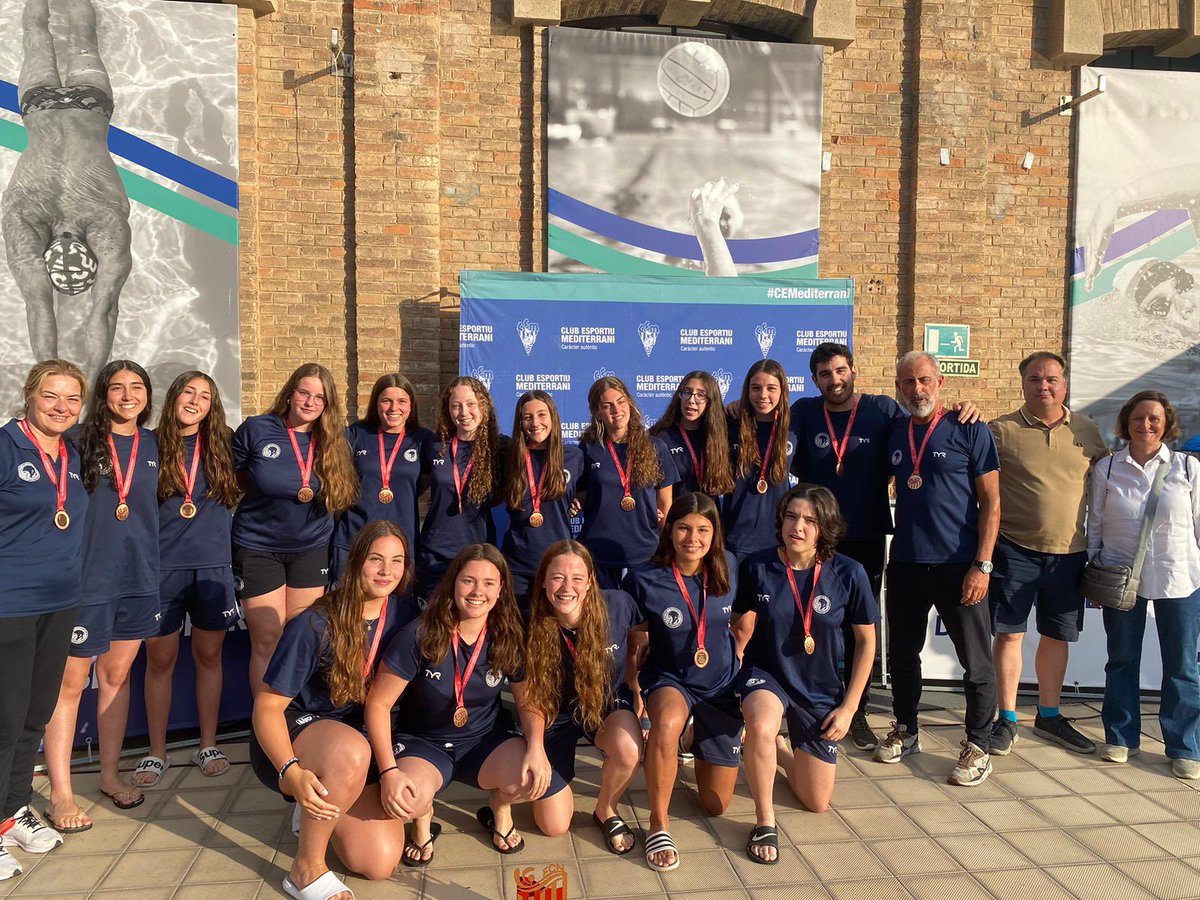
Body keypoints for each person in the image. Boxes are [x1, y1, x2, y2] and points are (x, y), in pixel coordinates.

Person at [790, 343, 981, 751]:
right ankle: (807, 707)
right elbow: (765, 424)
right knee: (810, 622)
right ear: (814, 379)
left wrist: (966, 408)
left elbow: (924, 418)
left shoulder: (882, 410)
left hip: (867, 536)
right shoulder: (803, 412)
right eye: (825, 374)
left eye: (841, 370)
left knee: (858, 627)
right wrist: (732, 410)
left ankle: (855, 712)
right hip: (814, 541)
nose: (834, 380)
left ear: (853, 371)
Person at [250, 521, 417, 899]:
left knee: (378, 862)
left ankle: (323, 800)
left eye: (397, 561)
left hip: (360, 741)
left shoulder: (406, 615)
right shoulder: (315, 622)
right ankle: (305, 869)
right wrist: (291, 771)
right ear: (355, 562)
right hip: (295, 735)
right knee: (349, 750)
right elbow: (267, 708)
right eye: (376, 559)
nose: (386, 570)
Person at [364, 544, 551, 859]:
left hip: (483, 740)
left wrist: (536, 747)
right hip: (425, 743)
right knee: (407, 799)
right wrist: (389, 772)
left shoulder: (508, 635)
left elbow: (529, 701)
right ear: (453, 583)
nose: (478, 591)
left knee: (534, 776)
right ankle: (424, 817)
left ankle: (499, 808)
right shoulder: (420, 634)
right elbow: (378, 705)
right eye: (468, 581)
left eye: (488, 583)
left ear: (501, 590)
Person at [874, 351, 1000, 787]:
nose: (917, 389)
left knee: (976, 663)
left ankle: (979, 746)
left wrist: (982, 565)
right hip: (906, 562)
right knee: (902, 655)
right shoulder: (894, 431)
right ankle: (906, 730)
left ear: (940, 382)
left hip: (959, 565)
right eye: (908, 382)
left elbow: (992, 503)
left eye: (924, 380)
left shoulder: (969, 427)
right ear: (899, 387)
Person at [733, 485, 878, 863]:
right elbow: (738, 627)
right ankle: (765, 820)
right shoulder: (756, 566)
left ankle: (781, 752)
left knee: (817, 801)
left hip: (819, 688)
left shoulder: (849, 572)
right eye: (791, 516)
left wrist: (849, 708)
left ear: (825, 526)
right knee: (761, 724)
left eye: (810, 520)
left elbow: (867, 643)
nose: (798, 527)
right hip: (767, 675)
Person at [43, 360, 159, 828]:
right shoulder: (76, 441)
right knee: (70, 685)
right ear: (103, 395)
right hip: (87, 581)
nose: (127, 396)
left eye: (136, 387)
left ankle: (110, 775)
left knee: (116, 677)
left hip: (139, 579)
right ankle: (61, 794)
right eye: (117, 387)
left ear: (148, 395)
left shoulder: (155, 444)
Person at [1, 0, 131, 378]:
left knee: (82, 39)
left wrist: (88, 382)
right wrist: (56, 379)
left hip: (89, 107)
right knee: (36, 36)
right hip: (39, 108)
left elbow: (103, 308)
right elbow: (39, 303)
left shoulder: (105, 221)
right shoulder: (24, 217)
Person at [987, 352, 1108, 756]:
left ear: (1064, 385)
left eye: (1052, 379)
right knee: (1009, 634)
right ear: (1023, 384)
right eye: (1035, 379)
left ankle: (1049, 715)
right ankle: (1006, 718)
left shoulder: (1087, 430)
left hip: (1069, 554)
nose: (1044, 386)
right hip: (1013, 550)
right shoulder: (1000, 430)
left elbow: (1110, 487)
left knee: (1057, 636)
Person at [0, 360, 89, 880]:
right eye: (51, 396)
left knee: (34, 715)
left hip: (59, 603)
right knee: (4, 719)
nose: (62, 407)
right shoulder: (5, 446)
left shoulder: (70, 454)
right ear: (29, 396)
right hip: (9, 605)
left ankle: (11, 813)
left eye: (72, 398)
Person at [133, 372, 241, 788]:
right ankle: (157, 751)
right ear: (174, 396)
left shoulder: (224, 444)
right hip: (162, 568)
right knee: (160, 661)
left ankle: (208, 744)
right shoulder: (148, 443)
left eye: (205, 396)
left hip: (212, 566)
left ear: (213, 406)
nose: (195, 401)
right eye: (188, 392)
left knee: (209, 657)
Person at [624, 493, 740, 872]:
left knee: (715, 805)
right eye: (684, 528)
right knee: (667, 722)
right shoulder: (645, 577)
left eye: (703, 530)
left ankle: (692, 736)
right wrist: (635, 692)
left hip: (720, 687)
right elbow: (633, 637)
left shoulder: (729, 566)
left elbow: (742, 620)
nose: (693, 538)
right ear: (669, 531)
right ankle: (659, 822)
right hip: (671, 678)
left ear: (714, 533)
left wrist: (738, 655)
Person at [1088, 391, 1200, 780]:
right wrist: (1095, 571)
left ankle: (1184, 746)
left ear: (1166, 424)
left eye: (1154, 418)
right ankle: (1121, 737)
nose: (1146, 425)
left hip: (1179, 576)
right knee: (1121, 660)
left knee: (1182, 666)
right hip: (1121, 577)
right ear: (1126, 422)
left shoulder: (1187, 468)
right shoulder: (1107, 468)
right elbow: (1095, 524)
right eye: (1138, 418)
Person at [232, 363, 358, 693]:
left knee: (301, 635)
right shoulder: (257, 429)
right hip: (258, 547)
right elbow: (236, 478)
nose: (310, 402)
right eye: (304, 393)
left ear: (328, 404)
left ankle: (291, 715)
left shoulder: (336, 439)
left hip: (310, 549)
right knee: (267, 638)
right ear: (290, 394)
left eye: (320, 397)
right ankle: (264, 719)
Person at [520, 542, 643, 853]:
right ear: (543, 581)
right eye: (557, 577)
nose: (567, 587)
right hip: (553, 714)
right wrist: (535, 747)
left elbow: (640, 639)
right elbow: (529, 695)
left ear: (590, 581)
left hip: (604, 702)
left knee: (628, 747)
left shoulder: (618, 604)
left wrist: (635, 684)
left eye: (577, 578)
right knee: (554, 826)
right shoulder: (527, 619)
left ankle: (606, 809)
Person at [576, 376, 677, 589]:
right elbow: (583, 496)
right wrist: (575, 503)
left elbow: (666, 504)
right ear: (597, 412)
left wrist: (664, 546)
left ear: (630, 403)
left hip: (644, 554)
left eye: (621, 402)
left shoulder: (655, 447)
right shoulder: (588, 449)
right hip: (599, 554)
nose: (616, 410)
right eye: (607, 406)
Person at [331, 373, 431, 583]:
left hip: (400, 542)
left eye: (401, 401)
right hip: (354, 539)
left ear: (411, 406)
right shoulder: (357, 433)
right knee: (347, 601)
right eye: (386, 401)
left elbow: (427, 480)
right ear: (376, 404)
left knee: (395, 603)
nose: (394, 408)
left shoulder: (422, 440)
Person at [416, 377, 506, 601]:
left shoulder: (501, 448)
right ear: (447, 410)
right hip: (435, 552)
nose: (464, 412)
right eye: (456, 406)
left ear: (483, 405)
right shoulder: (435, 446)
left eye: (471, 404)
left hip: (478, 553)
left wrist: (574, 499)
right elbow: (411, 484)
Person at [501, 392, 584, 608]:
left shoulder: (573, 457)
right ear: (520, 422)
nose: (535, 423)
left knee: (553, 626)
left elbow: (590, 490)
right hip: (517, 565)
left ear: (553, 417)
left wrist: (577, 501)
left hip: (559, 565)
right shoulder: (508, 458)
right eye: (527, 417)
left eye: (541, 415)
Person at [723, 359, 798, 562]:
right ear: (747, 390)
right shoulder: (730, 424)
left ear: (782, 391)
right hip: (735, 540)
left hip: (779, 539)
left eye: (771, 388)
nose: (763, 395)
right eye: (755, 388)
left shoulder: (794, 427)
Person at [650, 371, 735, 500]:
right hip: (676, 512)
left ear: (711, 401)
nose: (691, 400)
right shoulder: (661, 438)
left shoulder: (719, 436)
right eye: (687, 392)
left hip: (709, 512)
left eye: (700, 395)